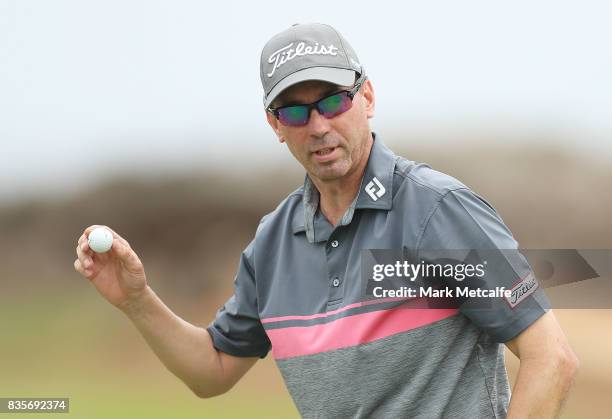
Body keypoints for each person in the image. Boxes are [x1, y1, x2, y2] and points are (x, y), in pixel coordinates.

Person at [74, 23, 578, 418]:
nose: (318, 126)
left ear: (368, 98)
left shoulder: (437, 210)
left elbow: (550, 357)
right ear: (275, 125)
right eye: (295, 113)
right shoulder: (272, 245)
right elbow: (214, 369)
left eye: (333, 101)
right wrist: (137, 302)